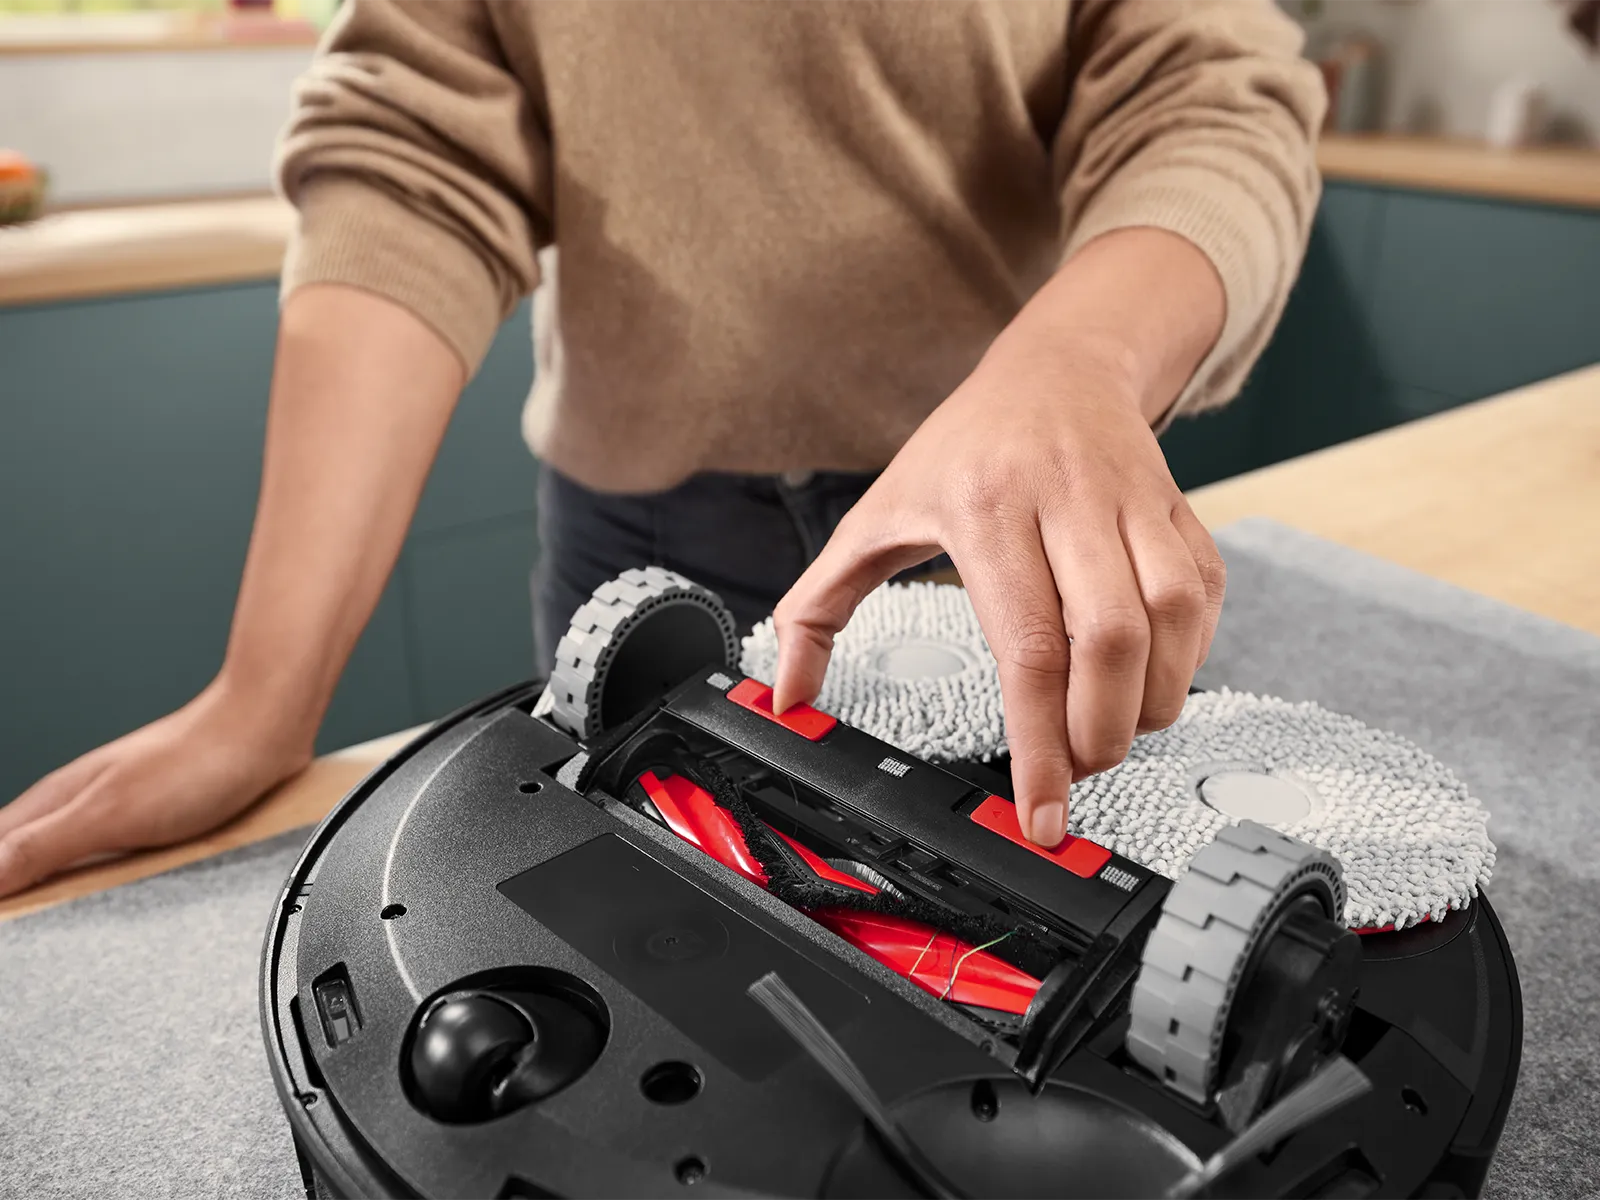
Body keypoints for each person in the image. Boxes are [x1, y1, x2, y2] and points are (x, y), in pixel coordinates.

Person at [0, 0, 1325, 900]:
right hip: (640, 540)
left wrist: (1073, 363)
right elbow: (413, 148)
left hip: (1004, 529)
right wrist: (262, 695)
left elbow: (1208, 89)